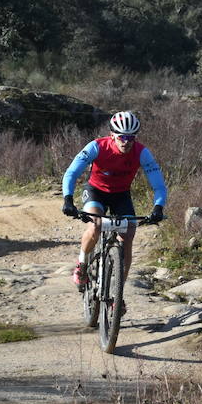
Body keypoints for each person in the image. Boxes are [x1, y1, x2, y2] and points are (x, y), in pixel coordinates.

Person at [61, 110, 167, 290]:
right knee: (95, 224)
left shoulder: (142, 153)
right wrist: (68, 199)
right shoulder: (97, 147)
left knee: (128, 235)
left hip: (121, 195)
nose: (126, 142)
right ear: (112, 135)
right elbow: (71, 173)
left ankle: (118, 292)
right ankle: (82, 265)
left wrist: (158, 207)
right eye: (122, 137)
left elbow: (159, 186)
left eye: (131, 138)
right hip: (96, 191)